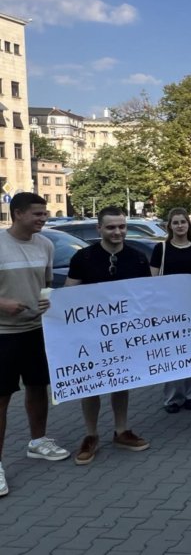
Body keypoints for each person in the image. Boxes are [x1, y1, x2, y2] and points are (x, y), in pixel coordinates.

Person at [65, 206, 152, 465]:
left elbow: (147, 296)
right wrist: (53, 304)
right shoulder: (83, 258)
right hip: (91, 335)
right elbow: (70, 294)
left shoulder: (137, 258)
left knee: (121, 381)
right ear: (99, 228)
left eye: (122, 226)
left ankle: (121, 430)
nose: (118, 232)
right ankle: (90, 435)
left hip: (124, 333)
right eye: (111, 227)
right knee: (91, 384)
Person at [0, 193, 70, 497]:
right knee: (1, 397)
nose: (44, 219)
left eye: (45, 214)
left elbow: (46, 285)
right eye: (38, 214)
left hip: (37, 330)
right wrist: (2, 304)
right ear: (17, 214)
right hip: (3, 333)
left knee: (38, 387)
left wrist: (49, 301)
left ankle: (38, 441)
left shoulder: (46, 245)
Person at [150, 208, 191, 414]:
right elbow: (153, 279)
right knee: (171, 354)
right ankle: (173, 398)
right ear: (170, 226)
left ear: (189, 225)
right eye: (175, 223)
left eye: (183, 222)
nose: (180, 226)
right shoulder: (162, 249)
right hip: (169, 310)